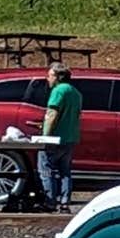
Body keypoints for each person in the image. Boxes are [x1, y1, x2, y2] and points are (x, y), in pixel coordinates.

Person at [34, 65, 85, 208]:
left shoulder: (58, 91)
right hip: (70, 137)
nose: (47, 78)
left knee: (45, 169)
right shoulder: (76, 93)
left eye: (50, 75)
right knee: (65, 171)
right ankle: (64, 202)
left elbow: (52, 114)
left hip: (55, 138)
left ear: (58, 77)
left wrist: (45, 135)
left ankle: (50, 201)